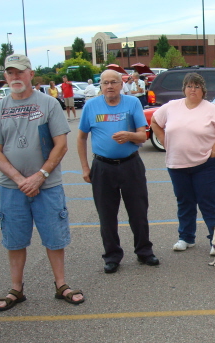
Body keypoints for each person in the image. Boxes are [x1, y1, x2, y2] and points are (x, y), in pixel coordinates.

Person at [0, 53, 84, 311]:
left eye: (20, 72)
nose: (15, 77)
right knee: (14, 241)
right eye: (10, 73)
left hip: (47, 186)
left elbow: (60, 146)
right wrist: (20, 180)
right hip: (11, 189)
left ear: (30, 74)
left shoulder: (48, 104)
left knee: (54, 238)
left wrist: (40, 176)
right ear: (5, 76)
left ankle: (61, 284)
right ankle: (16, 289)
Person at [77, 69, 159, 274]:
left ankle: (144, 251)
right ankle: (112, 255)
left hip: (131, 165)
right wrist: (85, 167)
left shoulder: (132, 104)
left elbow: (142, 136)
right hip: (103, 167)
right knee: (106, 215)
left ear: (121, 84)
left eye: (114, 82)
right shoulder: (91, 106)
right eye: (105, 83)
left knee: (138, 212)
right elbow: (81, 138)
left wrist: (129, 135)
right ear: (101, 86)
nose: (110, 86)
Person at [151, 73, 215, 252]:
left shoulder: (211, 109)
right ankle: (186, 237)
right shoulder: (172, 106)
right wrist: (163, 140)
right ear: (184, 89)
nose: (192, 90)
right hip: (177, 164)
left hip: (206, 165)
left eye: (196, 86)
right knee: (184, 202)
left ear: (203, 90)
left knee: (209, 202)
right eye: (189, 86)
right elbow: (155, 121)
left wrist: (214, 152)